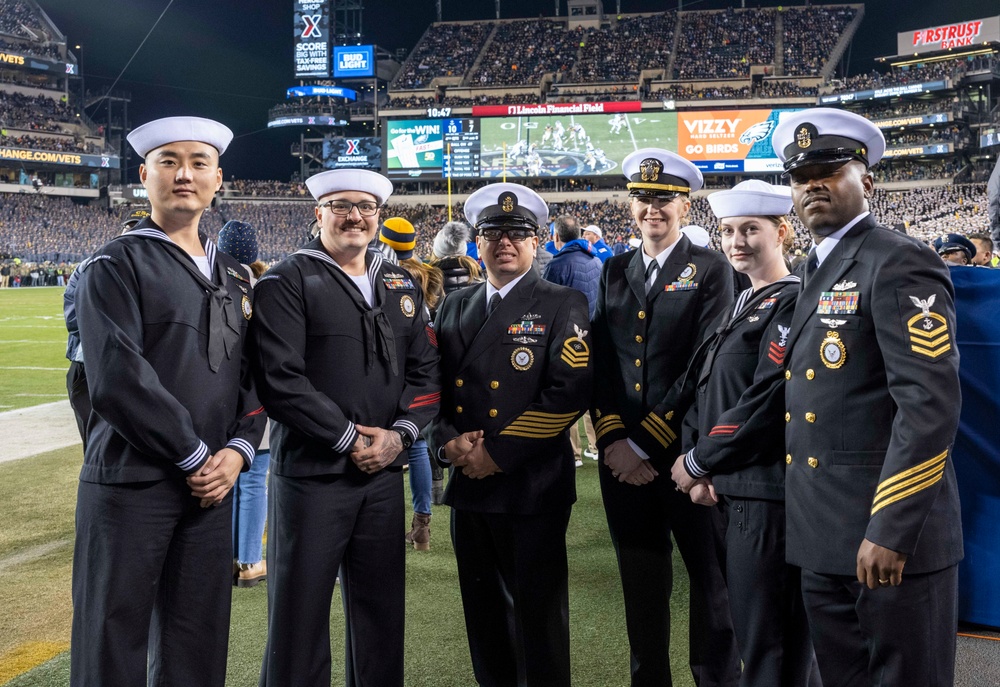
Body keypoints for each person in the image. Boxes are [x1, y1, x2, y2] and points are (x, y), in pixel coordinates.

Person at [71, 116, 265, 687]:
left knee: (198, 642)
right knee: (112, 641)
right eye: (169, 161)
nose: (185, 174)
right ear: (144, 175)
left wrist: (237, 452)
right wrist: (193, 455)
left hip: (212, 487)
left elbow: (254, 376)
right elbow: (116, 378)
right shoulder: (112, 263)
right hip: (133, 483)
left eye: (199, 163)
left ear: (218, 179)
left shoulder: (235, 275)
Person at [773, 107, 963, 686]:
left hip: (885, 541)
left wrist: (889, 528)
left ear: (868, 181)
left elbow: (929, 407)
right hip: (823, 537)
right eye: (802, 178)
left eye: (830, 171)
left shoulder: (898, 259)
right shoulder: (814, 268)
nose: (813, 186)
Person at [250, 168, 440, 687]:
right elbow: (280, 381)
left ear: (377, 214)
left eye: (364, 206)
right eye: (340, 205)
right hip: (313, 476)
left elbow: (427, 372)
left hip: (381, 476)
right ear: (318, 214)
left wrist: (398, 436)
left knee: (381, 616)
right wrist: (351, 438)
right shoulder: (286, 279)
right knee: (298, 618)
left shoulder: (399, 280)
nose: (354, 215)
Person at [433, 182, 593, 687]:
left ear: (538, 240)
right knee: (484, 619)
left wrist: (497, 454)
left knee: (539, 620)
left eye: (518, 233)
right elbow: (430, 386)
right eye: (493, 233)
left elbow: (567, 393)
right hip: (468, 484)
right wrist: (446, 441)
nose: (505, 241)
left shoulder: (561, 301)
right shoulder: (455, 303)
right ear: (477, 243)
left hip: (530, 485)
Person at [591, 147, 739, 687]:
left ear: (685, 204)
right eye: (642, 199)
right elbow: (602, 359)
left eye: (664, 199)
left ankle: (716, 681)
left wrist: (644, 444)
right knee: (641, 582)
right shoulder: (614, 269)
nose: (652, 209)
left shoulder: (711, 270)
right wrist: (612, 439)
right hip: (623, 462)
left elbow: (705, 362)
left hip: (686, 458)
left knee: (712, 583)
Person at [669, 180, 819, 687]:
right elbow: (705, 389)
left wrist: (700, 461)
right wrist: (703, 460)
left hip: (767, 493)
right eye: (729, 230)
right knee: (755, 639)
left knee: (772, 649)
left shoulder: (792, 301)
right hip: (736, 488)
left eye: (750, 229)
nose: (737, 241)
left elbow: (766, 397)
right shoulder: (745, 301)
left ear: (782, 231)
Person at [63, 208, 148, 446]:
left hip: (136, 368)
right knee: (92, 445)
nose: (132, 232)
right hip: (88, 364)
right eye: (129, 226)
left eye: (138, 226)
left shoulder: (160, 271)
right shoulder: (89, 266)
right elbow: (73, 318)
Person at [217, 219, 271, 588]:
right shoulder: (264, 288)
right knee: (253, 482)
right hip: (256, 400)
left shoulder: (209, 281)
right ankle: (249, 562)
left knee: (227, 480)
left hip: (217, 400)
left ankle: (225, 559)